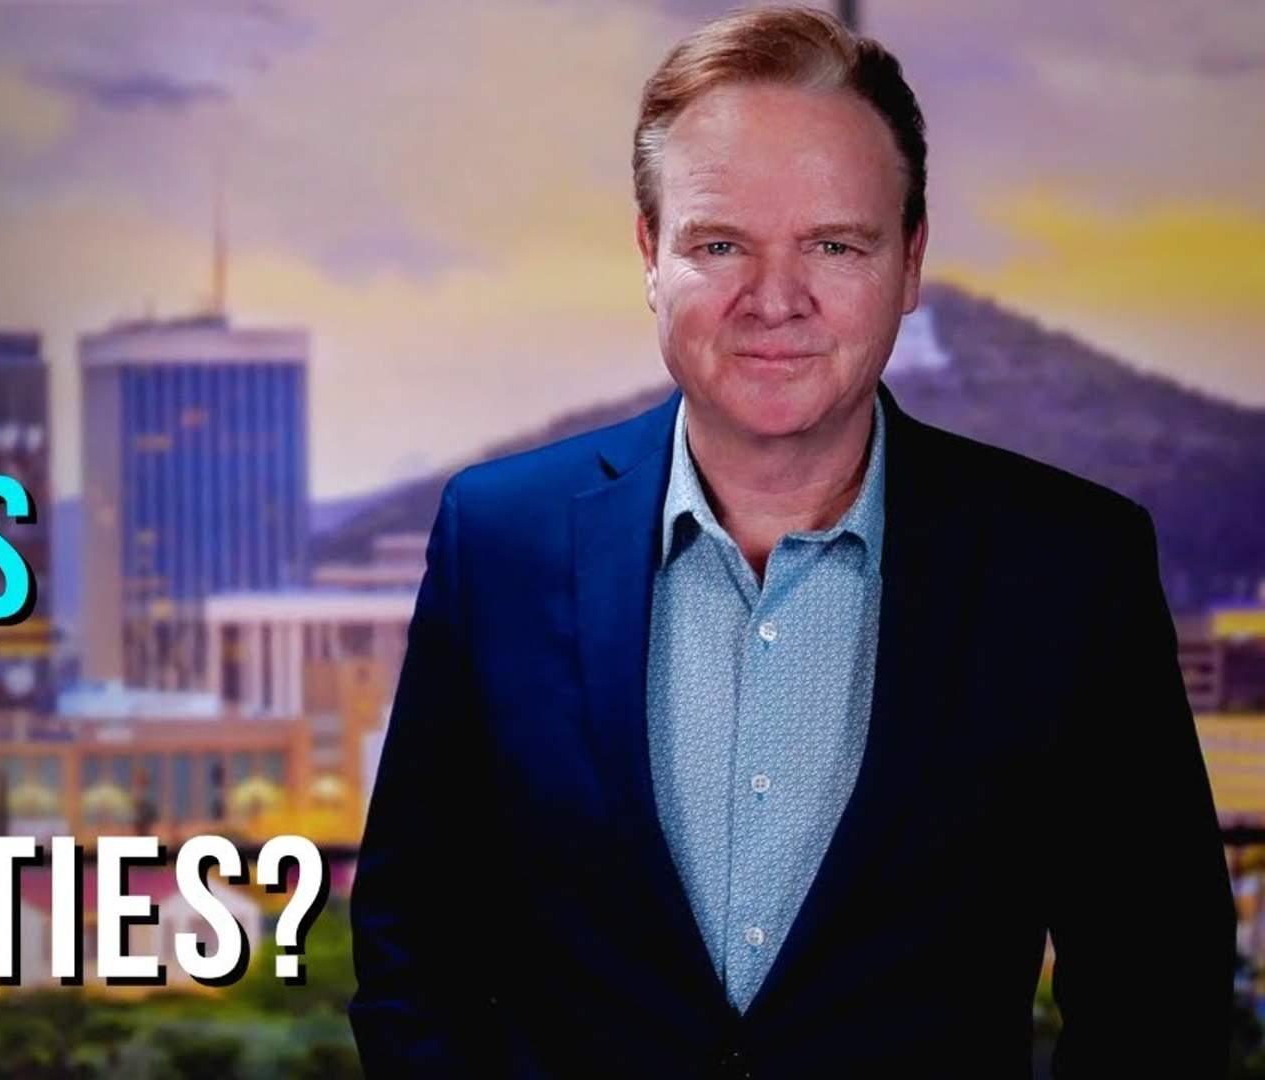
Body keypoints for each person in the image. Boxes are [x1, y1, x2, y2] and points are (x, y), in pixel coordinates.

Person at [346, 7, 1235, 1077]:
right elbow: (413, 946)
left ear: (909, 262)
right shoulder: (498, 538)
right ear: (649, 252)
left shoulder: (1068, 568)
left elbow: (1161, 985)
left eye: (833, 244)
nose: (775, 300)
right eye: (721, 244)